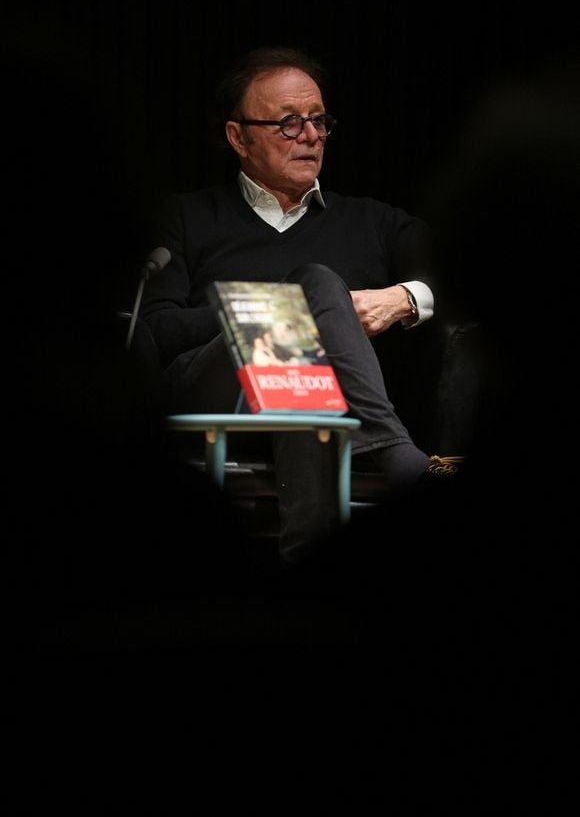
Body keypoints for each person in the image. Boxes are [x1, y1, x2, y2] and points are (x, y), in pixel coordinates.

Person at [140, 45, 461, 567]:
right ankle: (390, 446)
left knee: (296, 374)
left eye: (318, 121)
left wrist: (405, 298)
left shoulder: (373, 223)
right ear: (237, 137)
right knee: (310, 288)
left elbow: (474, 269)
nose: (310, 136)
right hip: (212, 394)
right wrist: (275, 310)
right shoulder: (184, 216)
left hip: (315, 414)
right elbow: (157, 330)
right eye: (288, 124)